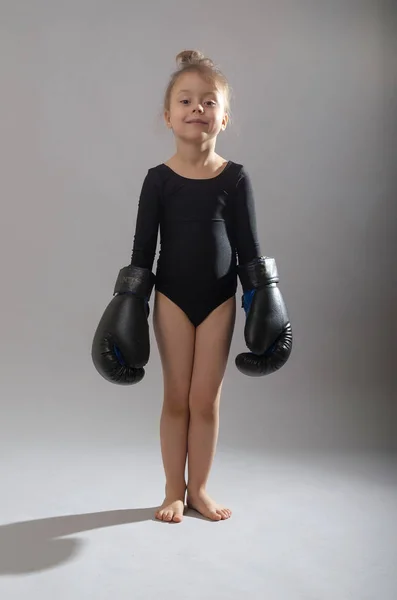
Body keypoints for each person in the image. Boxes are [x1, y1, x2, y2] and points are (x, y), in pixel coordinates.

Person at [92, 50, 292, 523]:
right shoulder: (157, 181)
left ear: (224, 116)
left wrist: (264, 300)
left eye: (208, 101)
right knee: (176, 396)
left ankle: (199, 488)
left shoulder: (236, 178)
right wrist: (129, 303)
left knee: (206, 399)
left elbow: (249, 250)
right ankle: (172, 491)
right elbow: (143, 252)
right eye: (186, 100)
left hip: (220, 300)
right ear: (168, 115)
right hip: (172, 301)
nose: (196, 108)